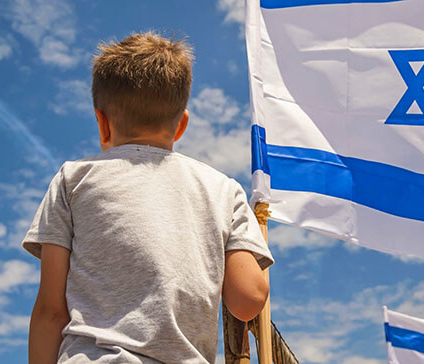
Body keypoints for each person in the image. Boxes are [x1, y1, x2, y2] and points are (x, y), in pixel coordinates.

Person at [22, 31, 274, 364]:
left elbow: (51, 311)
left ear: (102, 123)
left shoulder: (73, 178)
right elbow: (248, 299)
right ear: (181, 125)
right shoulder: (223, 190)